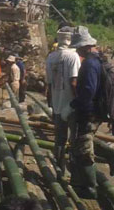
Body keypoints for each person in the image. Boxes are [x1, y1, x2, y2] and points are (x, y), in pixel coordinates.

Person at [68, 26, 102, 198]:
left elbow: (88, 91)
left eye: (80, 47)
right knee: (86, 145)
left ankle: (90, 188)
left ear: (85, 46)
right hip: (93, 111)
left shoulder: (89, 64)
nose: (78, 50)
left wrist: (78, 105)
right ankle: (111, 155)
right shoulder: (97, 60)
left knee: (84, 149)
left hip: (88, 113)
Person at [45, 27, 79, 180]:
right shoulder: (73, 56)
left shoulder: (51, 57)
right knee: (74, 139)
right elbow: (73, 82)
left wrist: (51, 104)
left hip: (57, 103)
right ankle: (74, 172)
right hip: (70, 104)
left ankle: (59, 169)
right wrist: (79, 101)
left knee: (59, 139)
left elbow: (49, 84)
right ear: (70, 40)